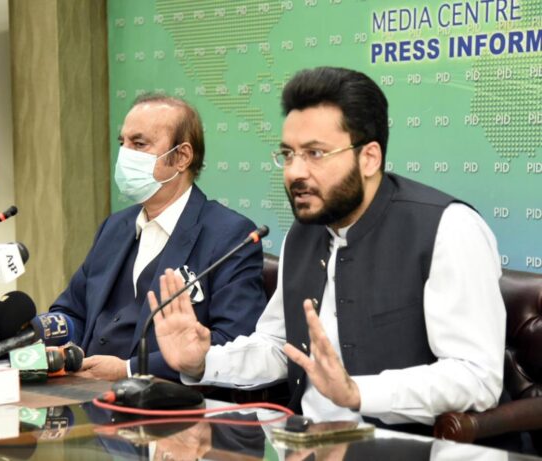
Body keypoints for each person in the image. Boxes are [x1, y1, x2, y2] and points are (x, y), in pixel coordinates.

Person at [147, 67, 506, 431]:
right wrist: (202, 361)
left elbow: (477, 377)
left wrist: (360, 393)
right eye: (288, 154)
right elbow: (279, 347)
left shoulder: (449, 228)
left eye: (315, 153)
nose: (295, 172)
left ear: (369, 158)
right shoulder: (303, 234)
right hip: (306, 443)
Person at [49, 94, 267, 382]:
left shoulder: (230, 235)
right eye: (122, 143)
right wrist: (41, 331)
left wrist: (129, 369)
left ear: (182, 157)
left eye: (139, 144)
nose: (125, 154)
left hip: (163, 399)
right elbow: (72, 311)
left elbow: (234, 343)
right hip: (82, 390)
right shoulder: (114, 227)